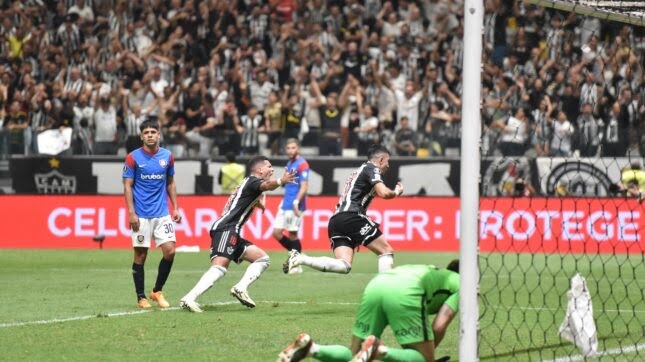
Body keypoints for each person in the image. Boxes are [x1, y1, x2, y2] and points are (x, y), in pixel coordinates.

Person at [278, 260, 460, 362]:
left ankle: (311, 348)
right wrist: (427, 352)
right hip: (406, 290)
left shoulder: (435, 272)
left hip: (377, 284)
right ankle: (379, 351)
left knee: (354, 353)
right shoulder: (464, 283)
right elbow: (439, 325)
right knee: (424, 359)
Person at [180, 156, 297, 312]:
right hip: (226, 228)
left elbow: (243, 198)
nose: (272, 169)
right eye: (269, 166)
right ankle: (189, 298)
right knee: (220, 267)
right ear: (260, 169)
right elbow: (267, 185)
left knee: (262, 259)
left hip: (232, 230)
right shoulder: (253, 181)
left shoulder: (248, 183)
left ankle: (240, 288)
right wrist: (281, 181)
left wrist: (257, 203)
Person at [283, 145, 403, 275]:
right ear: (381, 160)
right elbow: (384, 193)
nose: (388, 165)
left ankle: (301, 258)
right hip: (352, 216)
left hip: (336, 221)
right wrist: (396, 192)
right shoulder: (371, 168)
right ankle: (384, 290)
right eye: (387, 161)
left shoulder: (360, 170)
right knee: (386, 251)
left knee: (344, 265)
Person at [122, 119, 182, 309]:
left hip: (162, 213)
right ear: (141, 136)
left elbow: (170, 182)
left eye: (153, 132)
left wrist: (176, 207)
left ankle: (157, 291)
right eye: (146, 132)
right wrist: (131, 213)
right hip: (141, 215)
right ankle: (141, 297)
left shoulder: (167, 156)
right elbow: (127, 186)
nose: (150, 135)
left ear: (159, 134)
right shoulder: (133, 158)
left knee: (170, 251)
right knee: (140, 256)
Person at [272, 138, 310, 274]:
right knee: (276, 233)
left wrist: (296, 202)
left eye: (293, 148)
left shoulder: (303, 164)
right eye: (288, 148)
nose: (290, 150)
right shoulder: (289, 163)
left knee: (292, 234)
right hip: (285, 203)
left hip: (295, 204)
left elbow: (304, 186)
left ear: (298, 148)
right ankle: (298, 256)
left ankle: (297, 265)